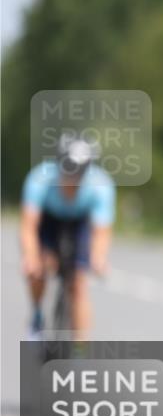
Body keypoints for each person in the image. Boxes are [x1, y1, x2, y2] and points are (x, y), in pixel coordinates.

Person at [21, 134, 116, 339]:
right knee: (38, 269)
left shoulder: (101, 185)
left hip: (80, 222)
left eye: (79, 172)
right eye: (68, 170)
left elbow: (101, 231)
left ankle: (80, 350)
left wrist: (98, 259)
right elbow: (29, 226)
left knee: (79, 284)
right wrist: (31, 257)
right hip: (48, 220)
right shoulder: (40, 179)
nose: (73, 178)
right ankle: (37, 315)